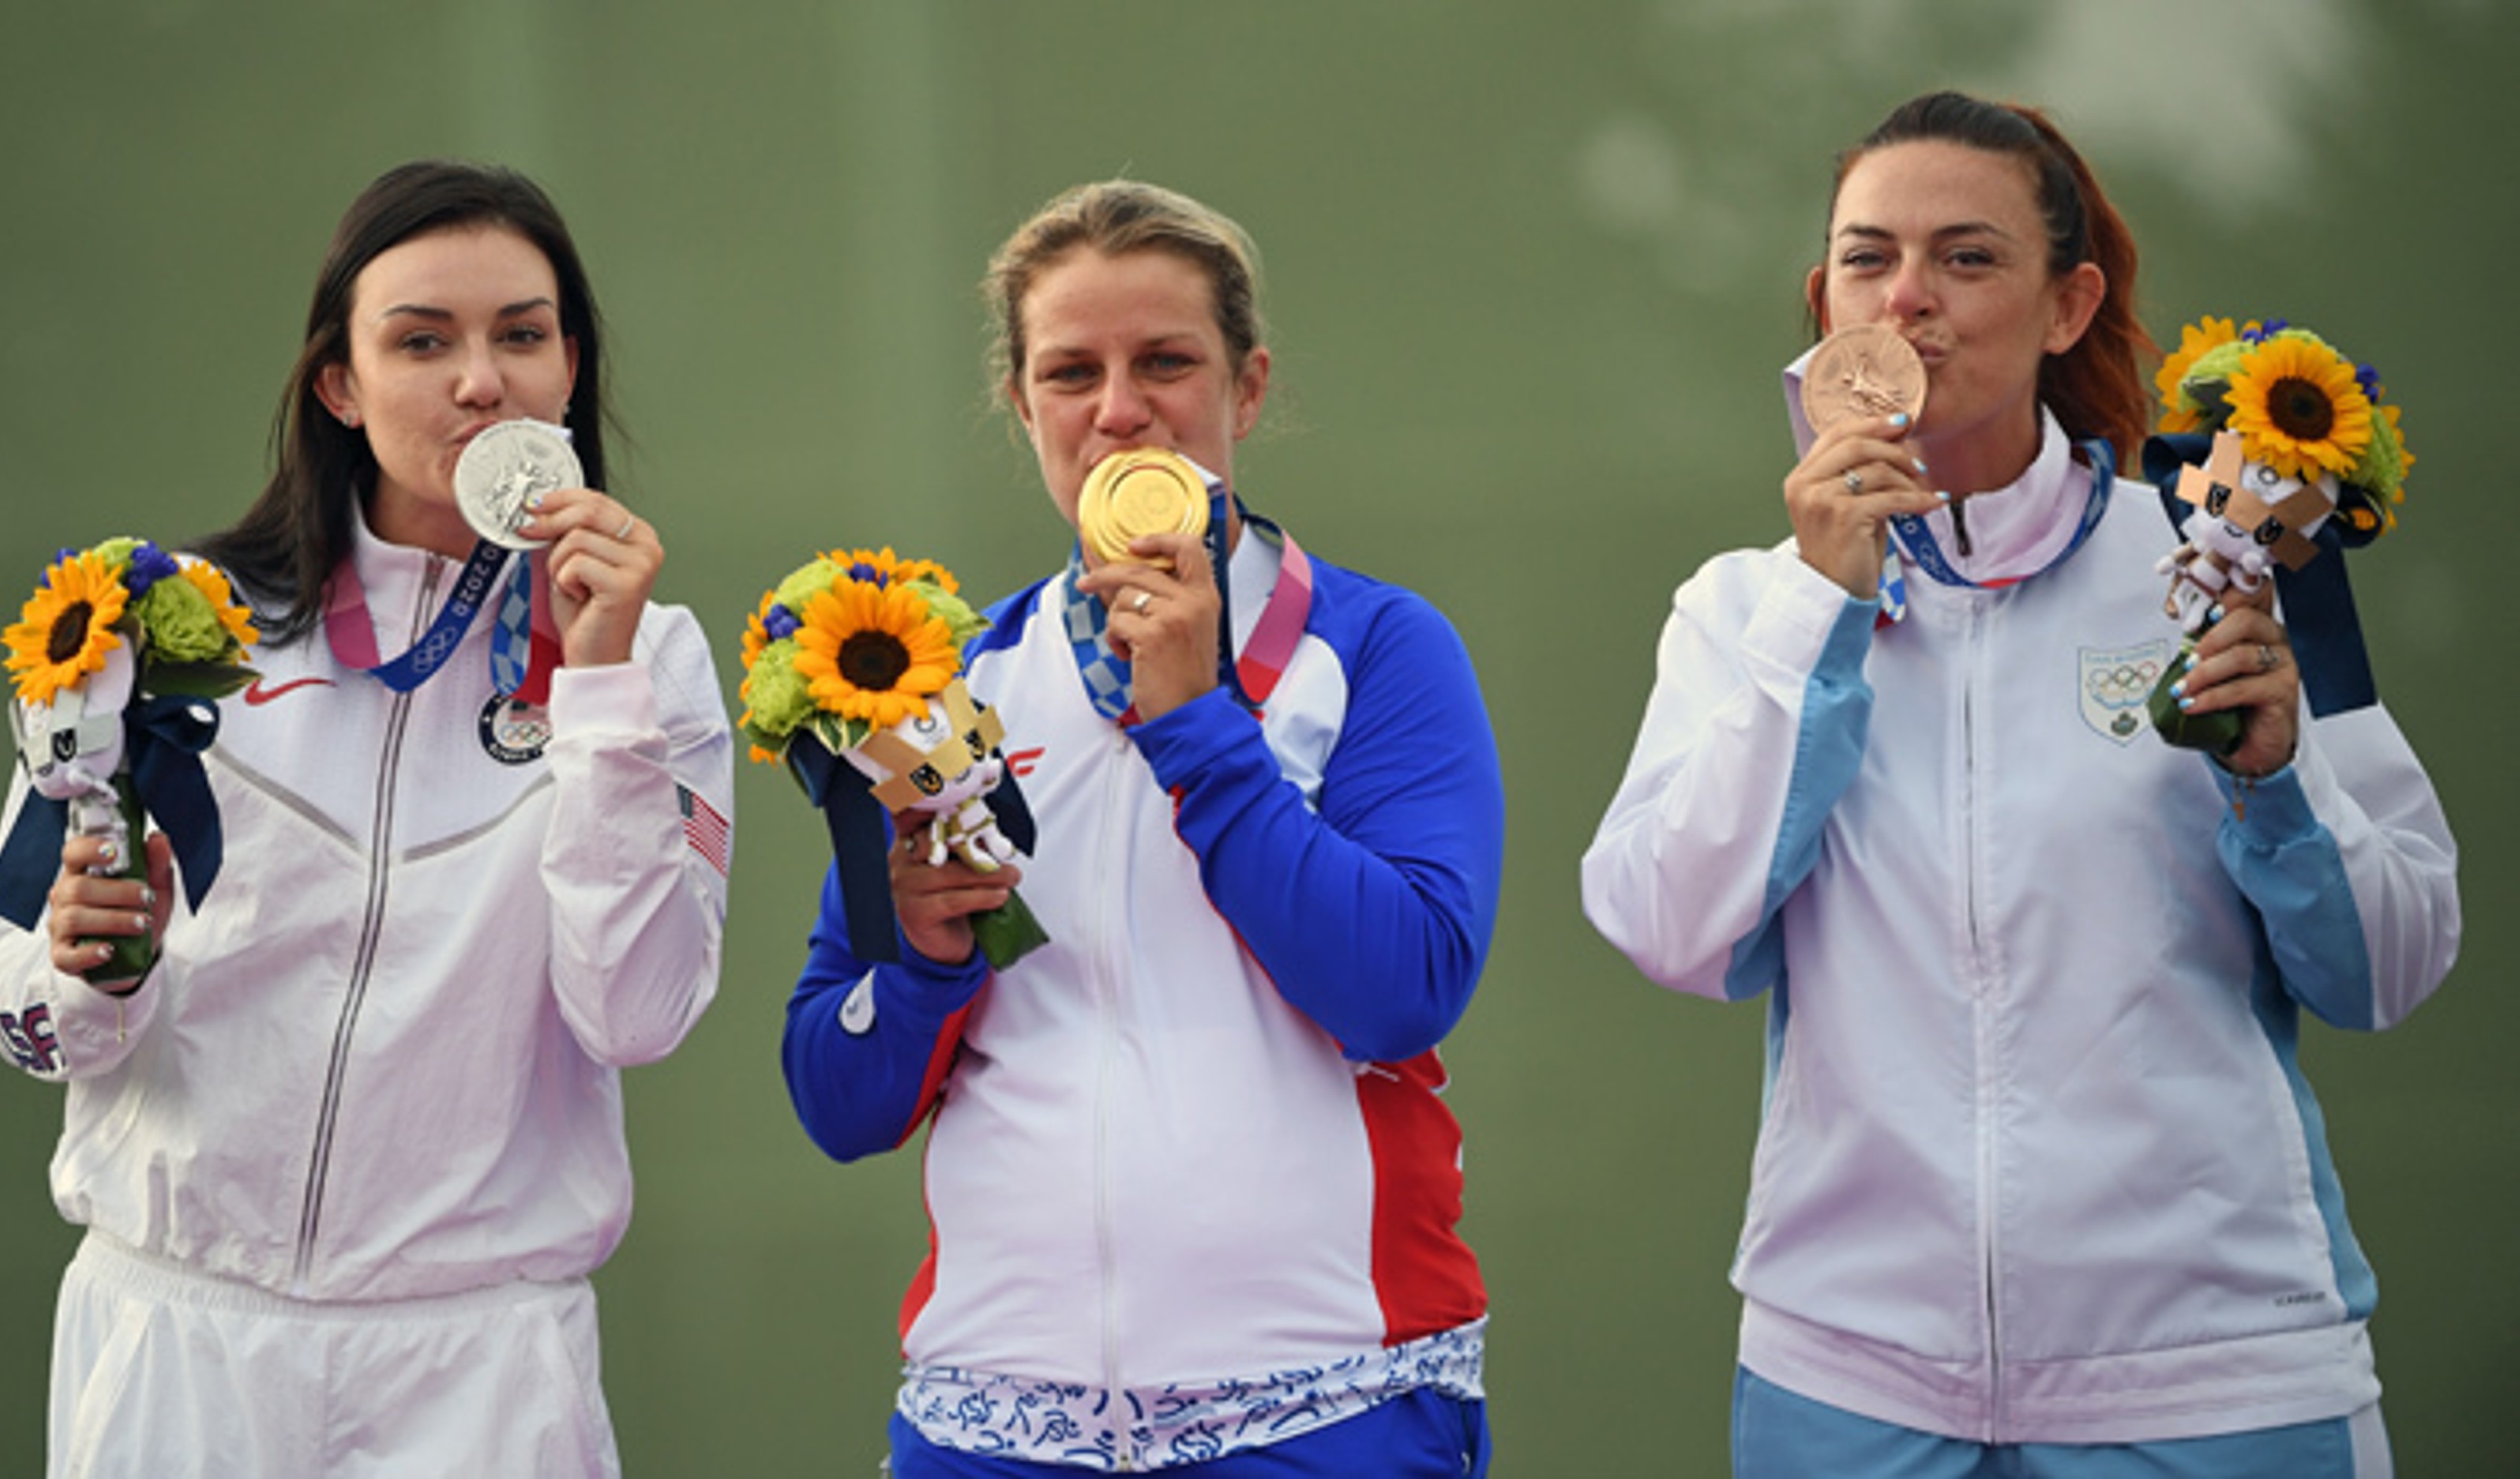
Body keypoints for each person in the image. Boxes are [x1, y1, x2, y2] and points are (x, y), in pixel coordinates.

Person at [1581, 92, 2459, 1478]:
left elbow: (2392, 966)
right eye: (1869, 259)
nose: (1911, 297)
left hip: (2217, 1386)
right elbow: (1673, 931)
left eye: (1969, 258)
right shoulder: (1745, 608)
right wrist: (1821, 610)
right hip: (1849, 1387)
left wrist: (2281, 783)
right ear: (1826, 304)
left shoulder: (2232, 566)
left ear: (2069, 305)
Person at [0, 160, 734, 1478]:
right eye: (421, 340)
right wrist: (92, 967)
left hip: (479, 1364)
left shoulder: (646, 663)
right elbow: (16, 1004)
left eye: (523, 337)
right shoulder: (162, 625)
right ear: (339, 383)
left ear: (568, 374)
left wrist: (596, 687)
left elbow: (642, 1013)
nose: (480, 382)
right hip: (179, 1337)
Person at [783, 179, 1503, 1477]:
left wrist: (1197, 725)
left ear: (1249, 387)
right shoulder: (947, 685)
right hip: (993, 1424)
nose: (1120, 409)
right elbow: (837, 1098)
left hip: (1319, 1411)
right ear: (1024, 407)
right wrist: (926, 961)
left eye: (1166, 361)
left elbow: (1402, 992)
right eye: (1072, 371)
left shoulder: (1376, 648)